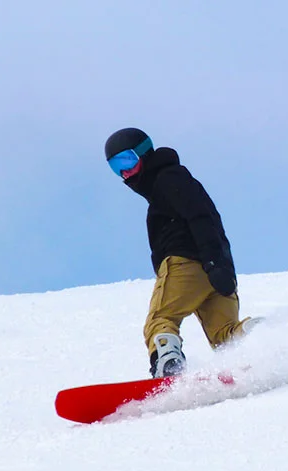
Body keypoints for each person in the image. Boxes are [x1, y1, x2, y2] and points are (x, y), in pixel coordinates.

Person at [105, 127, 252, 378]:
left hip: (188, 264)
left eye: (127, 160)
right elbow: (209, 218)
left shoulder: (168, 179)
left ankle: (169, 366)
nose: (124, 171)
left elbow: (200, 217)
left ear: (144, 154)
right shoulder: (171, 183)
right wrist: (219, 266)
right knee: (225, 335)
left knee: (161, 320)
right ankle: (268, 340)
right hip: (215, 269)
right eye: (115, 166)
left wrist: (213, 261)